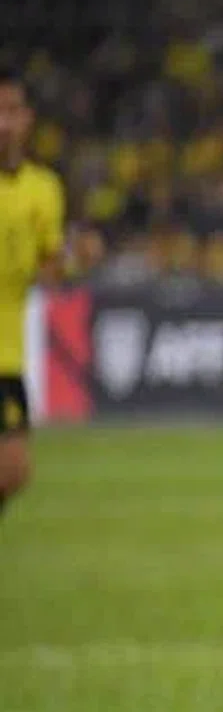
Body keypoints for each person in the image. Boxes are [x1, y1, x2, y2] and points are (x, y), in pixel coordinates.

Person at [0, 64, 68, 518]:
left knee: (14, 471)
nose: (3, 122)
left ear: (27, 119)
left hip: (8, 352)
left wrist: (74, 256)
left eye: (11, 110)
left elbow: (50, 272)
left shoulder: (43, 189)